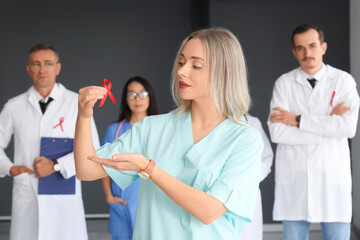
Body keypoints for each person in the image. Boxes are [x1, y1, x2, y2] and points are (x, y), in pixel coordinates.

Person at [74, 28, 263, 239]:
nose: (181, 71)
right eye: (181, 63)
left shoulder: (245, 139)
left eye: (196, 65)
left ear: (224, 72)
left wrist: (149, 169)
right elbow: (86, 169)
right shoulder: (152, 128)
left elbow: (209, 211)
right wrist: (83, 116)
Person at [268, 23, 359, 240]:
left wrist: (298, 120)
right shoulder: (284, 83)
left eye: (312, 46)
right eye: (300, 48)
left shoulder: (343, 81)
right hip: (295, 178)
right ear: (294, 52)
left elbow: (347, 127)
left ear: (323, 47)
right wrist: (327, 124)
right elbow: (277, 133)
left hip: (332, 177)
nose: (307, 53)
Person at [0, 44, 100, 240]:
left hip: (65, 199)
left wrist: (56, 166)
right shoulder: (14, 106)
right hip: (28, 193)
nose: (42, 69)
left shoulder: (76, 103)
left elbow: (93, 150)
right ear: (29, 69)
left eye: (48, 63)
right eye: (36, 64)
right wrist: (9, 168)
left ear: (58, 67)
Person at [100, 76, 159, 240]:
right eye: (132, 94)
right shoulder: (115, 130)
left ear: (150, 97)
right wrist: (108, 196)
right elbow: (103, 166)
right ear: (126, 99)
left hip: (152, 202)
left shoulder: (161, 128)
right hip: (123, 204)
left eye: (142, 93)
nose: (137, 99)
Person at [239, 115, 273, 240]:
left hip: (249, 193)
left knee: (250, 235)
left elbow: (266, 156)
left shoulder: (252, 122)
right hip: (219, 197)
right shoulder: (212, 122)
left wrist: (251, 177)